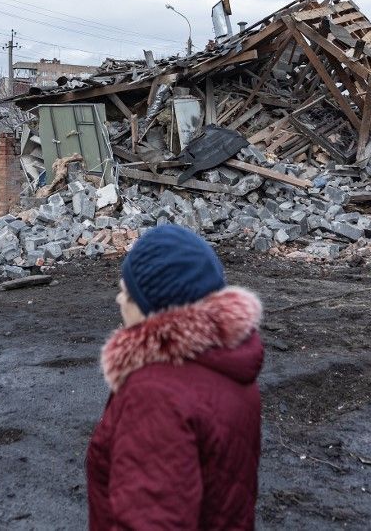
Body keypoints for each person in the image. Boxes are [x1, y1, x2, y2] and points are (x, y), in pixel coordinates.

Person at [86, 224, 264, 530]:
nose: (119, 300)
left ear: (155, 308)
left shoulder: (155, 394)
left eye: (126, 292)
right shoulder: (230, 365)